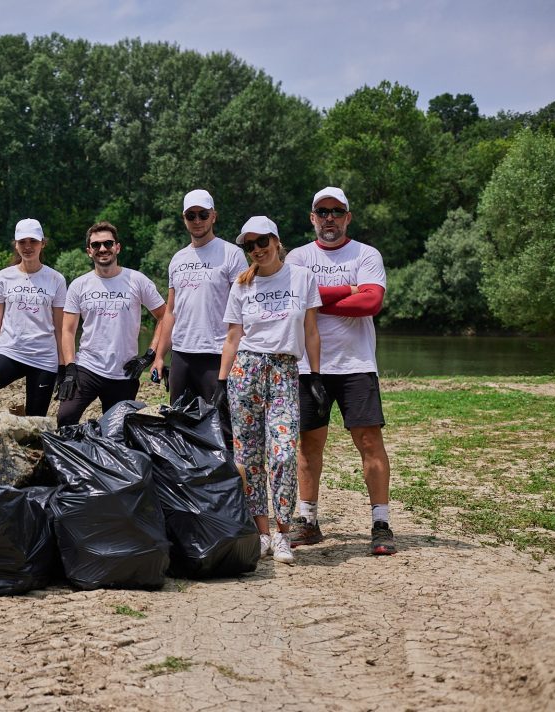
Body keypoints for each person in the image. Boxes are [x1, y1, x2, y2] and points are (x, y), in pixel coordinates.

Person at [285, 187, 396, 556]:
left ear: (348, 217)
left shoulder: (366, 254)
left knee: (369, 443)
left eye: (337, 211)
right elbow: (295, 304)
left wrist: (316, 300)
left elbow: (371, 301)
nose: (329, 217)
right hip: (308, 367)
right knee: (309, 445)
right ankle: (308, 520)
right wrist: (346, 290)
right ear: (312, 217)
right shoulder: (297, 257)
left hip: (356, 365)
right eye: (322, 211)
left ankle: (381, 523)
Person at [220, 216, 323, 564]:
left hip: (284, 369)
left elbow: (310, 330)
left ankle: (283, 533)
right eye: (249, 245)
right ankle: (261, 532)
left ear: (276, 240)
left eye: (262, 241)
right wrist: (222, 382)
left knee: (282, 454)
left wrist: (315, 376)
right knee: (247, 458)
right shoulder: (242, 284)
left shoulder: (301, 277)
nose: (257, 249)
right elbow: (233, 336)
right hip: (245, 370)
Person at [155, 188, 248, 454]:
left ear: (213, 216)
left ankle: (228, 486)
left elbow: (242, 307)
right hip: (183, 354)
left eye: (202, 214)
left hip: (217, 353)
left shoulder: (231, 254)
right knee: (179, 422)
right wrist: (161, 356)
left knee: (222, 425)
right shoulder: (178, 259)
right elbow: (170, 311)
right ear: (184, 219)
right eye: (191, 215)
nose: (197, 220)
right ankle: (187, 485)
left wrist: (239, 353)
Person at [57, 221, 166, 426]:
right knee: (65, 417)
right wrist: (70, 369)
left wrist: (149, 356)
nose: (103, 249)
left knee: (116, 430)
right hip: (87, 368)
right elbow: (68, 330)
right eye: (96, 245)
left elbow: (164, 316)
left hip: (124, 372)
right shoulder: (79, 285)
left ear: (117, 247)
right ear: (89, 251)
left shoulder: (137, 280)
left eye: (108, 243)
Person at [0, 218, 67, 420]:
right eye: (22, 242)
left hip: (44, 358)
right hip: (11, 352)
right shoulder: (3, 277)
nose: (28, 247)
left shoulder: (56, 279)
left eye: (33, 241)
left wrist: (63, 367)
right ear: (16, 244)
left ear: (42, 243)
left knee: (34, 422)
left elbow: (60, 328)